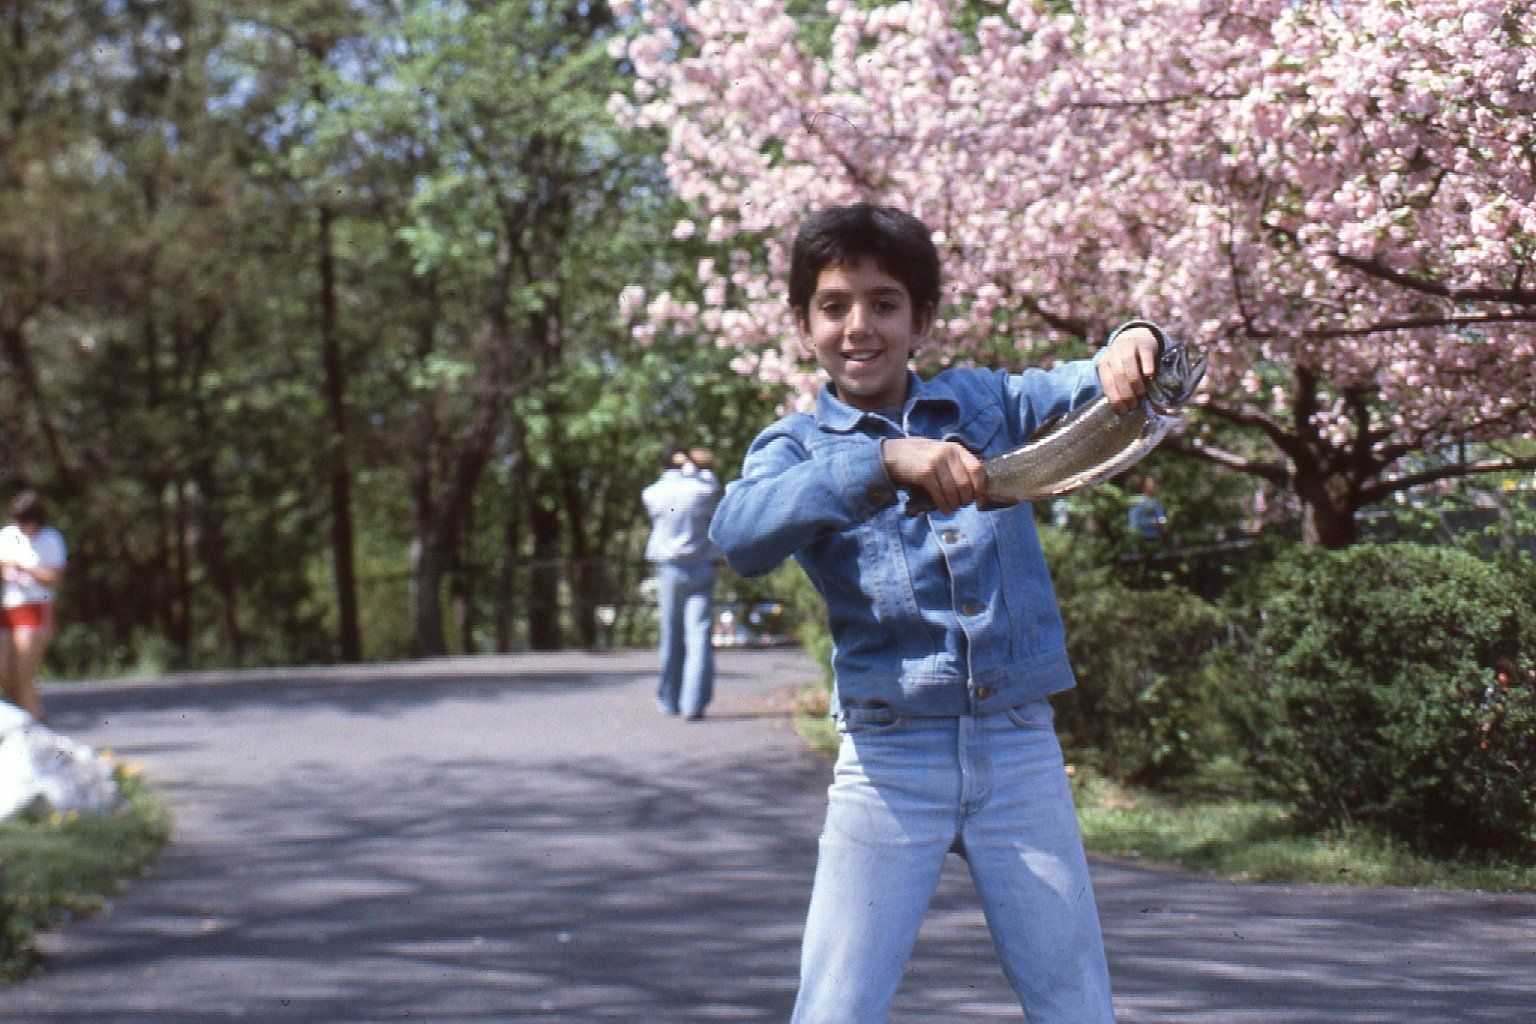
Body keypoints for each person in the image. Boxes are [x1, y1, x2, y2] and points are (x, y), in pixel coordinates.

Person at [709, 203, 1164, 1023]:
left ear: (921, 320)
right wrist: (882, 462)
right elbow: (738, 534)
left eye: (884, 304)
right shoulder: (794, 447)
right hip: (888, 759)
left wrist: (1136, 340)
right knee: (837, 1006)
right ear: (804, 325)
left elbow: (1090, 379)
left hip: (1020, 749)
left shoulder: (982, 403)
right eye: (833, 306)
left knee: (1075, 1002)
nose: (859, 326)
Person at [642, 445, 722, 720]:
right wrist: (698, 469)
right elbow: (712, 484)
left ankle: (669, 699)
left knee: (671, 635)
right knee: (699, 634)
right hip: (702, 566)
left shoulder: (653, 494)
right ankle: (694, 703)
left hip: (669, 568)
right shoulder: (704, 491)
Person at [0, 491, 67, 721]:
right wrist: (7, 569)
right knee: (4, 672)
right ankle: (30, 718)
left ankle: (35, 723)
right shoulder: (7, 536)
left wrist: (25, 568)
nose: (21, 528)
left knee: (23, 674)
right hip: (9, 607)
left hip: (37, 607)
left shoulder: (50, 539)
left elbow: (54, 579)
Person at [1127, 475, 1168, 545]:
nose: (1151, 486)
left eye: (1153, 484)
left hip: (1156, 538)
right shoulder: (1137, 501)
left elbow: (1161, 517)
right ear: (1143, 486)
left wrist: (1162, 521)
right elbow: (1133, 522)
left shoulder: (1156, 502)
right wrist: (1150, 522)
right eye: (1149, 484)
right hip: (1141, 538)